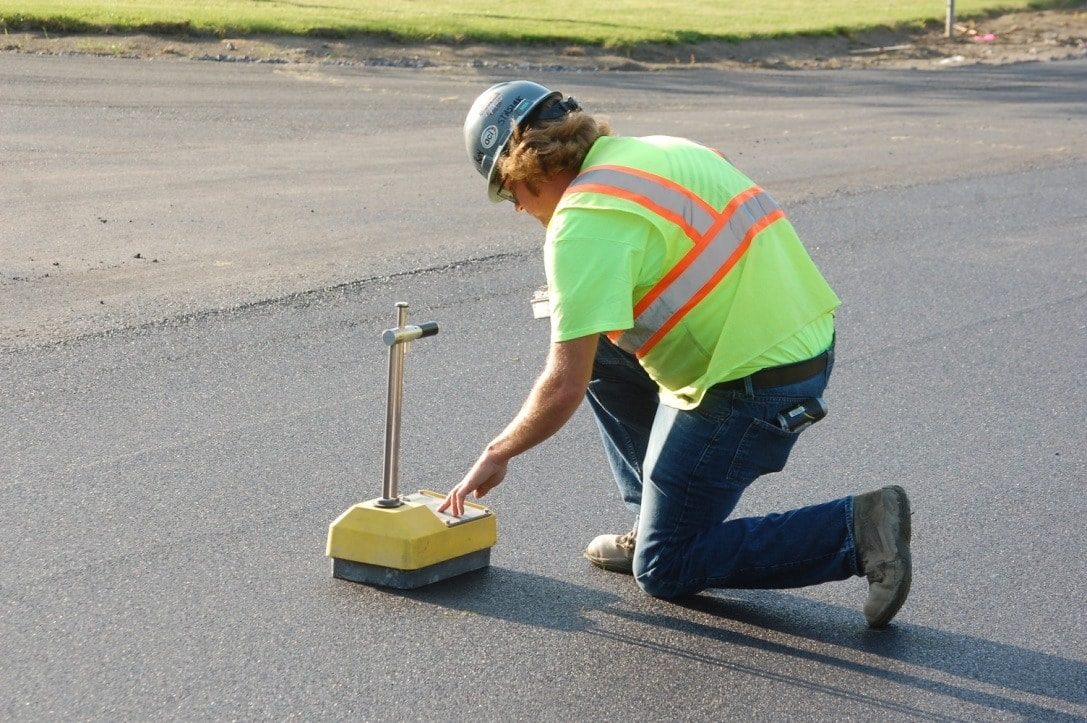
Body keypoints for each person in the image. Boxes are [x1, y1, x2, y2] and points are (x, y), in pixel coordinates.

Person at [439, 80, 912, 628]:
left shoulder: (582, 223)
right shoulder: (659, 150)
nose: (519, 208)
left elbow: (563, 384)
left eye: (507, 192)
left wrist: (498, 452)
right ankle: (652, 521)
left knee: (665, 566)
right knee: (600, 348)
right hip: (805, 343)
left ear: (524, 167)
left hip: (754, 386)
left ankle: (857, 530)